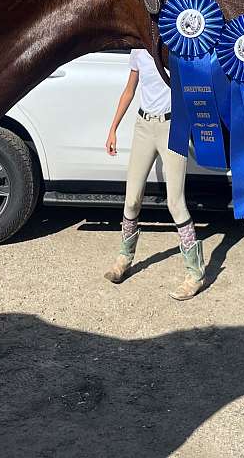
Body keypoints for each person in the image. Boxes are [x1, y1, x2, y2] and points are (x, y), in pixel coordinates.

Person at [104, 48, 205, 300]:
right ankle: (124, 258)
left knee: (175, 202)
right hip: (144, 126)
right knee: (132, 198)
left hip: (173, 127)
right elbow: (129, 90)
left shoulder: (179, 47)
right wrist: (113, 128)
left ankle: (195, 273)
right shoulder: (138, 51)